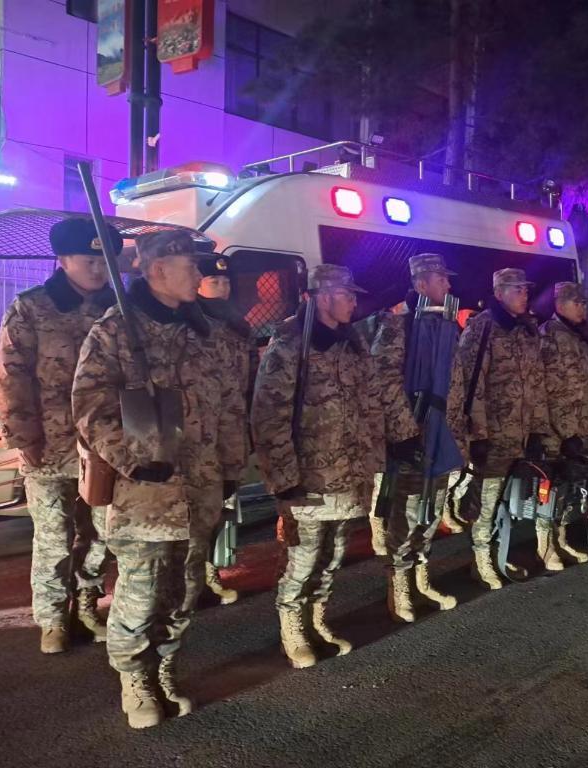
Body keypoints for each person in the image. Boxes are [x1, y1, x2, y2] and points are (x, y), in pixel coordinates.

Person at [72, 230, 247, 728]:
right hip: (144, 492)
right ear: (157, 271)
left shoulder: (204, 332)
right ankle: (135, 677)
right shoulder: (115, 330)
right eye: (190, 265)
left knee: (186, 589)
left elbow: (229, 405)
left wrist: (230, 468)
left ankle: (164, 665)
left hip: (200, 486)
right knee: (141, 590)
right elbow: (89, 405)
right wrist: (132, 458)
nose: (199, 273)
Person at [0, 218, 117, 654]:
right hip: (48, 444)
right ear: (62, 260)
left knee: (103, 532)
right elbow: (11, 375)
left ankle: (86, 602)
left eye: (104, 260)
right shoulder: (32, 307)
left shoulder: (116, 307)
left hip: (103, 445)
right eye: (89, 260)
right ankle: (52, 620)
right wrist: (22, 437)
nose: (99, 268)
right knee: (54, 537)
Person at [252, 264, 379, 668]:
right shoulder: (290, 344)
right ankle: (292, 627)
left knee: (334, 553)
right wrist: (283, 478)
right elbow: (269, 415)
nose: (353, 303)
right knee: (302, 557)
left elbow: (369, 402)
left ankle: (317, 619)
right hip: (308, 476)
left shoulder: (352, 342)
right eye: (346, 295)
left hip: (348, 472)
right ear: (323, 297)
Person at [370, 253, 471, 622]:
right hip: (413, 440)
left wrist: (458, 435)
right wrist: (404, 434)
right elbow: (383, 383)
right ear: (421, 284)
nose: (448, 285)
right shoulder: (399, 327)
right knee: (406, 515)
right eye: (441, 279)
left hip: (442, 438)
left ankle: (421, 579)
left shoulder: (447, 327)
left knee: (430, 515)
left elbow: (455, 387)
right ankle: (399, 586)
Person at [457, 268, 548, 588]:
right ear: (499, 293)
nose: (524, 295)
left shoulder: (526, 330)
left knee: (505, 501)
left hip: (519, 435)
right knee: (485, 499)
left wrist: (537, 429)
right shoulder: (483, 327)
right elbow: (471, 384)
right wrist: (478, 435)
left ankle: (497, 551)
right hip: (494, 434)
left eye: (526, 289)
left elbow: (536, 383)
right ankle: (480, 559)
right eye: (516, 289)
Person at [196, 255, 255, 604]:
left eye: (226, 282)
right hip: (199, 434)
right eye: (214, 281)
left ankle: (209, 573)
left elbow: (250, 381)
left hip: (230, 433)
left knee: (221, 508)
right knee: (196, 510)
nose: (222, 287)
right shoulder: (191, 322)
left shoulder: (238, 325)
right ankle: (192, 579)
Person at [539, 282, 588, 567]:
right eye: (577, 303)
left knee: (567, 491)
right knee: (548, 491)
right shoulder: (550, 335)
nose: (582, 308)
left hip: (578, 428)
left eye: (584, 303)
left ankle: (560, 539)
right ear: (560, 305)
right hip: (556, 432)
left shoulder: (578, 336)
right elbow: (550, 388)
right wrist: (566, 432)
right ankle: (545, 546)